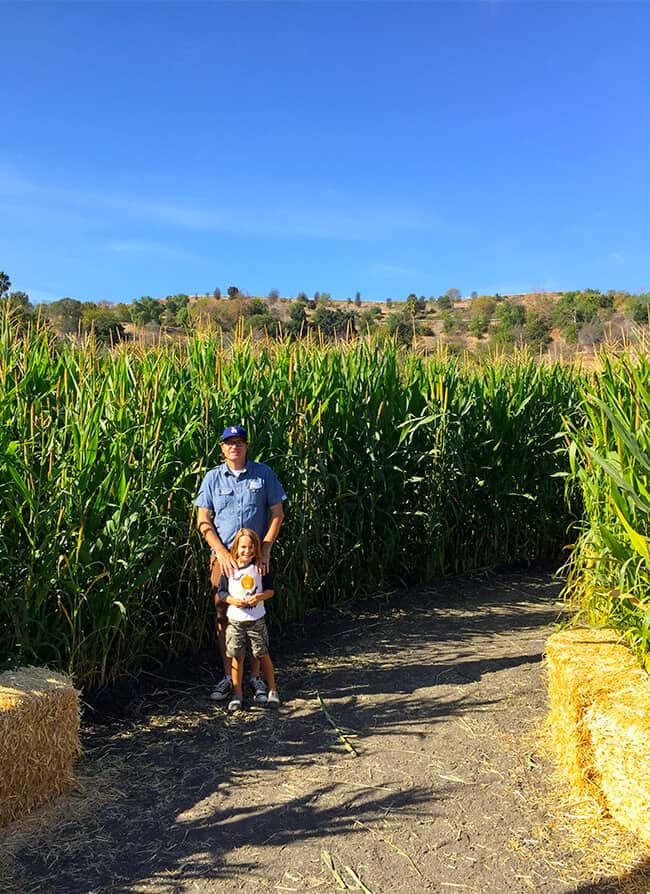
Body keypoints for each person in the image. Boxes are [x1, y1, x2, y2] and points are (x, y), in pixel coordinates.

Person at [194, 424, 286, 704]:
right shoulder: (212, 478)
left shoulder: (263, 474)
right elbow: (203, 520)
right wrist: (221, 552)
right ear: (222, 448)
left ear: (247, 447)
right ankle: (228, 677)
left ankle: (255, 678)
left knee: (255, 617)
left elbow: (277, 513)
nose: (234, 447)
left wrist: (266, 547)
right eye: (228, 442)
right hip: (224, 561)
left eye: (239, 442)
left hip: (255, 560)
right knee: (225, 617)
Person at [224, 528, 279, 711]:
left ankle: (273, 690)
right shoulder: (229, 568)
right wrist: (232, 600)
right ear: (236, 548)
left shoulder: (260, 567)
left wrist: (259, 597)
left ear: (256, 548)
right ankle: (237, 693)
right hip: (235, 621)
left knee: (262, 654)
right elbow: (222, 592)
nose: (247, 551)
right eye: (243, 547)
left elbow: (271, 591)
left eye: (251, 547)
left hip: (256, 619)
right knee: (236, 656)